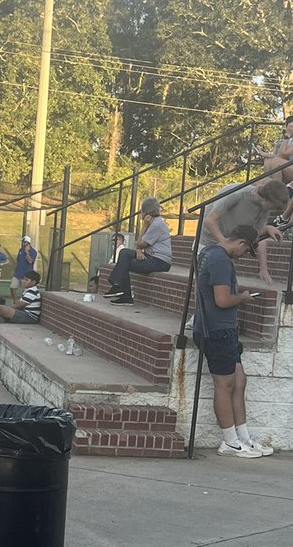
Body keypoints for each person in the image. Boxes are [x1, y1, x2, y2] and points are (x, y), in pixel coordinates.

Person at [192, 223, 273, 458]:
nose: (243, 255)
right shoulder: (220, 260)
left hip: (222, 329)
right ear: (240, 243)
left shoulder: (209, 252)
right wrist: (243, 298)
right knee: (225, 385)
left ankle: (243, 438)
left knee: (239, 382)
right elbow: (222, 300)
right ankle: (229, 441)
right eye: (246, 250)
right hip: (217, 330)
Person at [198, 178, 287, 288]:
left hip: (227, 244)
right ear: (267, 200)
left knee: (229, 287)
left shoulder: (263, 209)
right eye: (275, 207)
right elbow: (209, 220)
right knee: (208, 288)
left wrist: (263, 269)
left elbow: (257, 236)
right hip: (208, 242)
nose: (275, 210)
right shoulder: (238, 193)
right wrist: (225, 243)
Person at [106, 197, 172, 305]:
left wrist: (144, 228)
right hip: (150, 256)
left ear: (146, 212)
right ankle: (118, 286)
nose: (141, 213)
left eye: (142, 211)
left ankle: (121, 290)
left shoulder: (156, 225)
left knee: (125, 262)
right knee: (124, 253)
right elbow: (139, 244)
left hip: (159, 261)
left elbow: (140, 243)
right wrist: (139, 250)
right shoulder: (153, 223)